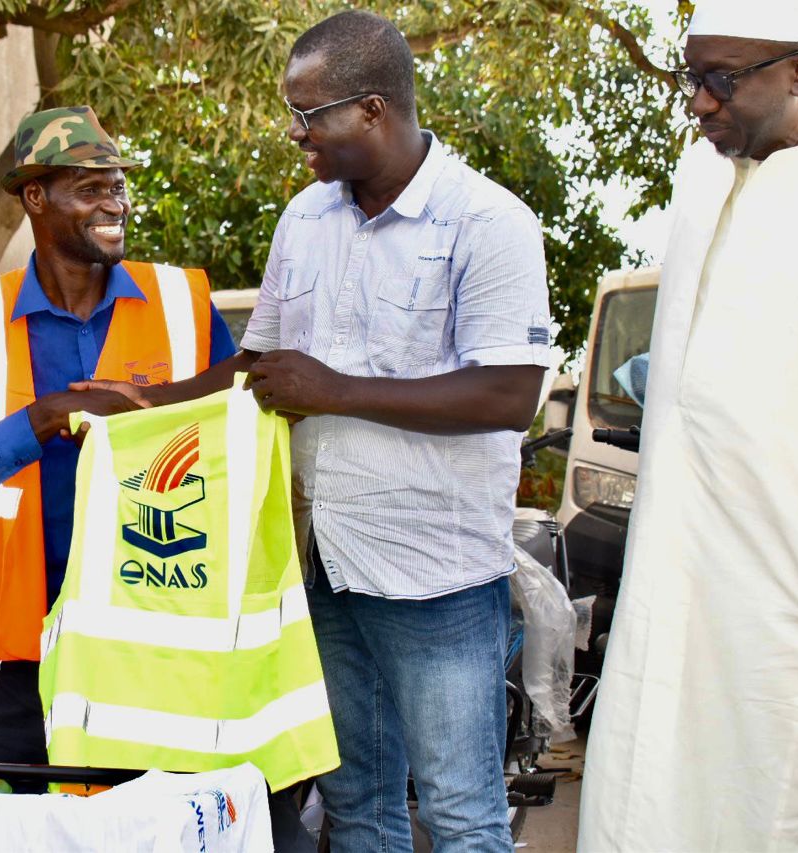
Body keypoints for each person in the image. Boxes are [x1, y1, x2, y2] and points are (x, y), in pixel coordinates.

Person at [79, 11, 551, 850]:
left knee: (459, 812)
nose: (295, 134)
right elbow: (259, 367)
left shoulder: (487, 222)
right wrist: (142, 405)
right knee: (357, 803)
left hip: (435, 575)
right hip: (324, 561)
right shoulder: (306, 218)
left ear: (372, 109)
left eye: (309, 115)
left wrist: (335, 390)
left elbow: (510, 394)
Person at [0, 106, 237, 768]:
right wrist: (39, 420)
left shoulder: (184, 305)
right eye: (90, 188)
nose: (115, 205)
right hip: (40, 652)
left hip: (168, 647)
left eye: (118, 186)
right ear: (35, 196)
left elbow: (240, 433)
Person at [578, 1, 798, 849]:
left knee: (770, 801)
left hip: (787, 599)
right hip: (668, 571)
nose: (699, 102)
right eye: (692, 77)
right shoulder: (699, 175)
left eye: (722, 80)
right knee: (641, 795)